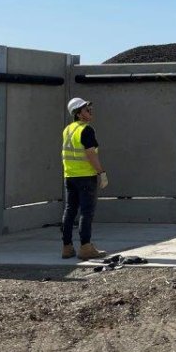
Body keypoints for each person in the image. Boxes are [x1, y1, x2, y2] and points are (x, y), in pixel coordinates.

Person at [61, 97, 107, 260]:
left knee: (70, 211)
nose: (90, 111)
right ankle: (86, 247)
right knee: (86, 212)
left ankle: (67, 247)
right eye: (87, 110)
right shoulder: (86, 130)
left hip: (70, 176)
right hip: (86, 177)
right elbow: (90, 154)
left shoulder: (68, 130)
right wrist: (101, 172)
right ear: (78, 114)